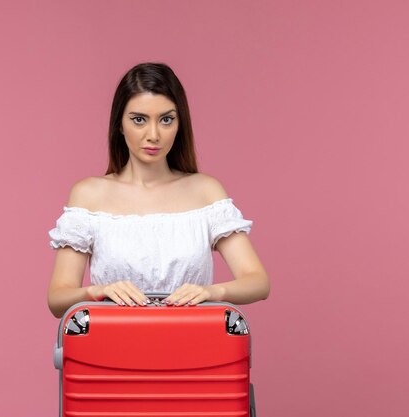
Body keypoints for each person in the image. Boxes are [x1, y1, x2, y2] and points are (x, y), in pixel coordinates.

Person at [47, 62, 269, 319]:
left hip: (194, 348)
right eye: (139, 120)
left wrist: (212, 292)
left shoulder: (205, 191)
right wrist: (99, 292)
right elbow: (58, 298)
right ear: (119, 125)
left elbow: (258, 282)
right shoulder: (89, 195)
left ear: (179, 123)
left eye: (166, 120)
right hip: (112, 349)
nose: (153, 134)